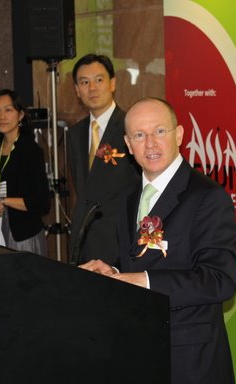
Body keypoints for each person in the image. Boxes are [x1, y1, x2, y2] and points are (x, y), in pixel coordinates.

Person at [81, 98, 236, 384]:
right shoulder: (128, 198)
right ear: (128, 145)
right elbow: (137, 262)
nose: (150, 143)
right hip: (139, 367)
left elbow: (219, 279)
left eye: (159, 131)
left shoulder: (207, 197)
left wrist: (142, 280)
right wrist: (113, 273)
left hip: (190, 372)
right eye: (139, 136)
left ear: (179, 134)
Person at [68, 54, 140, 265]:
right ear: (77, 90)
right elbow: (82, 189)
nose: (92, 88)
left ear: (112, 83)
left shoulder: (130, 127)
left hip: (119, 244)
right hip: (82, 243)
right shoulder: (75, 133)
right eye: (84, 82)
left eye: (99, 80)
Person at [0, 89, 50, 255]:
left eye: (8, 110)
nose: (2, 116)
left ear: (20, 115)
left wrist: (4, 201)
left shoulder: (31, 151)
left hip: (25, 235)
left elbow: (42, 203)